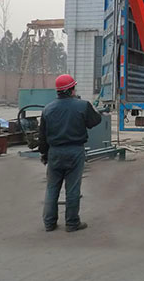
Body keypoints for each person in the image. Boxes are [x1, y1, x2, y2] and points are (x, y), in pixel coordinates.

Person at [39, 74, 102, 232]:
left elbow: (42, 136)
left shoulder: (47, 109)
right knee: (72, 189)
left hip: (54, 152)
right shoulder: (82, 105)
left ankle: (49, 223)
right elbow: (95, 121)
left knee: (52, 188)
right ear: (72, 89)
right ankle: (72, 223)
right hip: (75, 151)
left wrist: (44, 154)